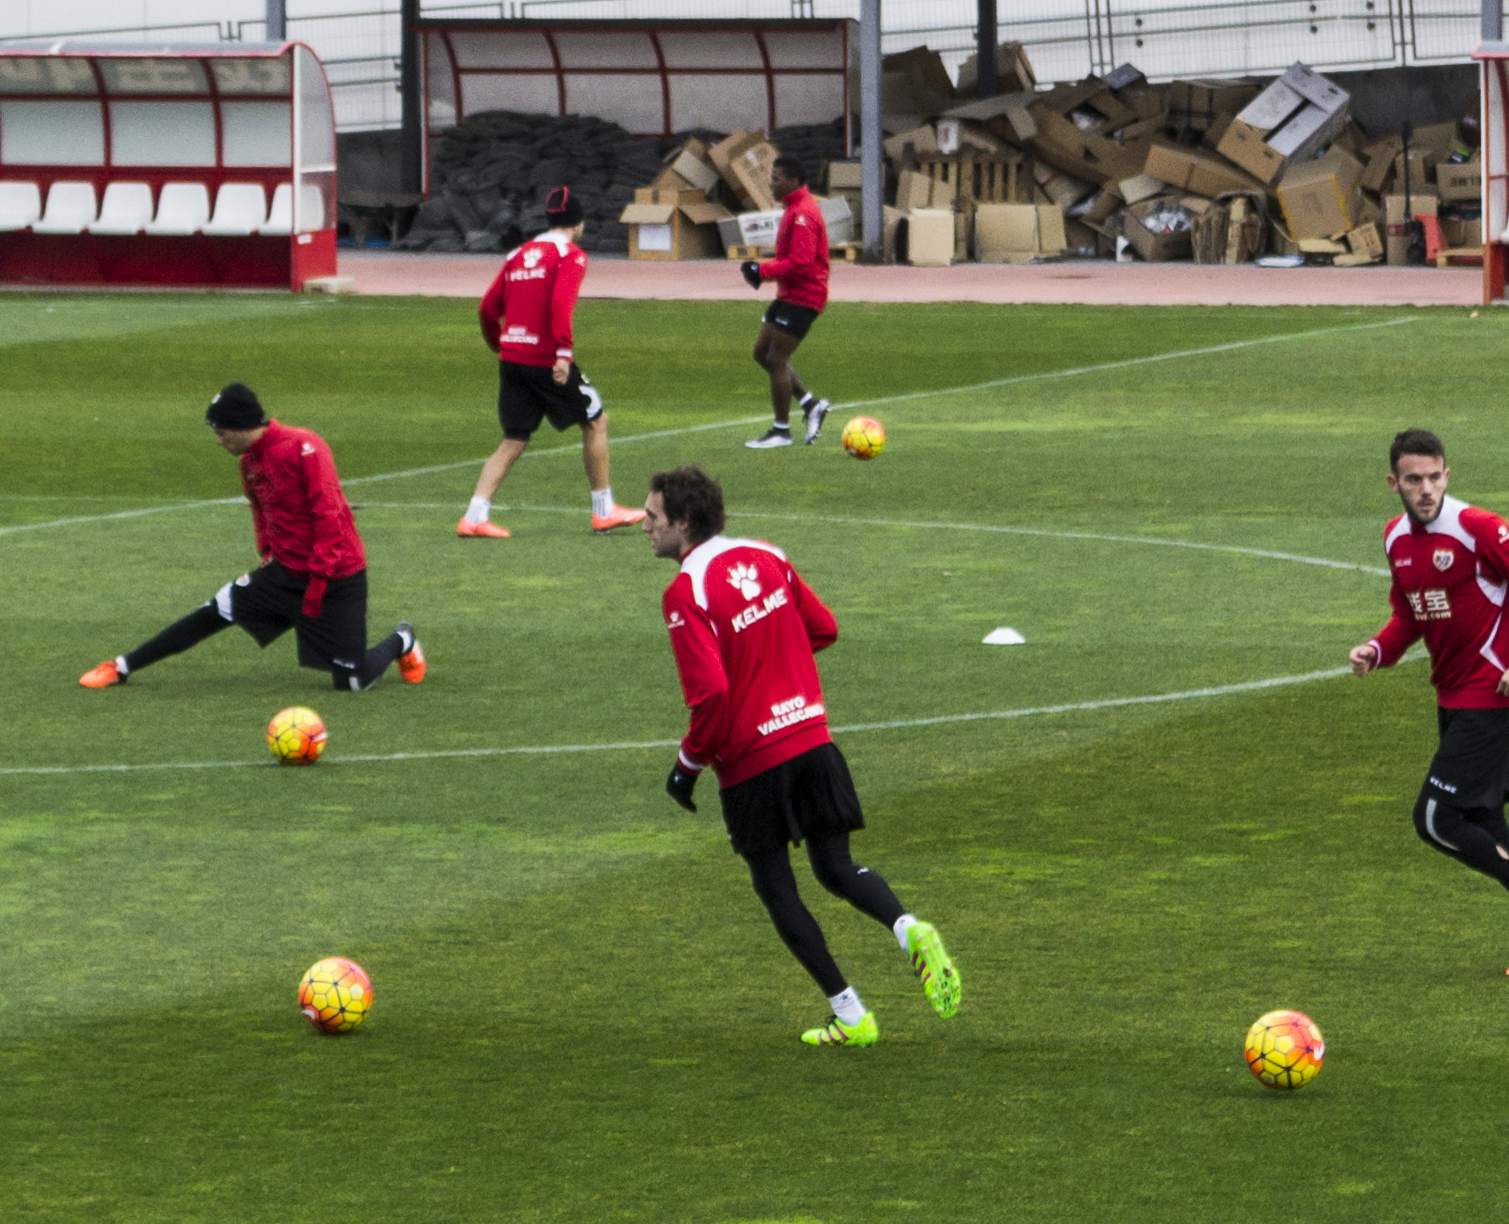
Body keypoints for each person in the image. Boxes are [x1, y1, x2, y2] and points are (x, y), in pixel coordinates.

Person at [644, 465, 959, 1044]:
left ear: (683, 523)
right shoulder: (767, 554)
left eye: (653, 517)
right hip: (813, 742)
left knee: (778, 890)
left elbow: (711, 694)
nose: (644, 526)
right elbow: (823, 627)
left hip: (752, 766)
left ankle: (852, 1015)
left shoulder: (684, 592)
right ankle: (907, 927)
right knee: (837, 868)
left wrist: (685, 769)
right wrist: (773, 653)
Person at [1349, 429, 1509, 975]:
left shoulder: (1477, 528)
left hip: (1493, 698)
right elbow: (1410, 615)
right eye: (1414, 480)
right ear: (1394, 483)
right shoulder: (1395, 540)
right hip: (1453, 696)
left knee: (1434, 818)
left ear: (1447, 476)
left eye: (1434, 477)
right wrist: (1377, 649)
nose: (1426, 489)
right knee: (1483, 818)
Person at [81, 383, 426, 692]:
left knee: (353, 681)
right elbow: (260, 510)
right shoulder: (249, 462)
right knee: (214, 611)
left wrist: (319, 580)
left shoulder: (306, 447)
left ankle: (402, 640)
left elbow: (329, 515)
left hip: (337, 576)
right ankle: (121, 667)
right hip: (285, 574)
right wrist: (267, 553)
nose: (218, 441)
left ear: (240, 426)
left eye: (221, 433)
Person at [459, 186, 646, 538]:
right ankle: (604, 510)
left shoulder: (518, 253)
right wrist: (563, 353)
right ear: (579, 222)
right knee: (596, 420)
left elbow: (487, 308)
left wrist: (500, 346)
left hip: (512, 358)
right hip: (545, 358)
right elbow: (561, 305)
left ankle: (474, 515)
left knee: (514, 437)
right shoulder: (570, 255)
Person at [738, 157, 833, 449]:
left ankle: (781, 431)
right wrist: (761, 270)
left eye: (777, 179)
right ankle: (810, 404)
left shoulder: (803, 213)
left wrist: (761, 271)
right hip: (788, 295)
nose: (771, 183)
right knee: (761, 352)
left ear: (793, 181)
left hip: (804, 296)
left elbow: (801, 263)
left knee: (776, 359)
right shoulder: (794, 208)